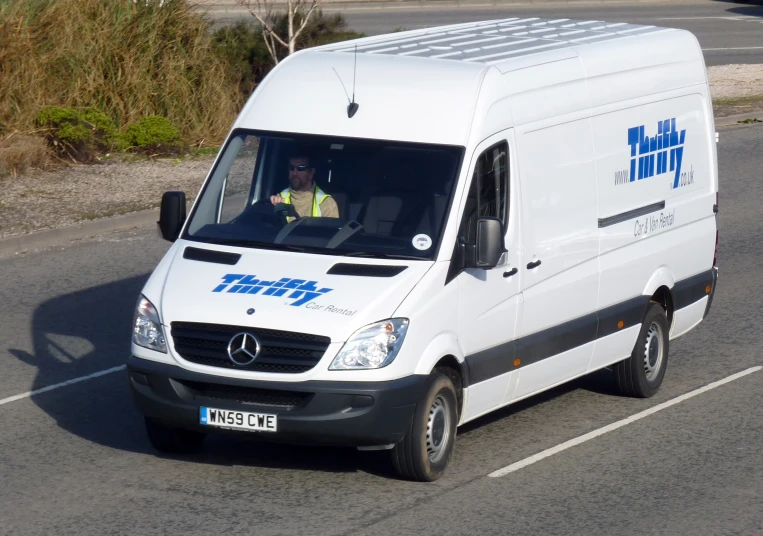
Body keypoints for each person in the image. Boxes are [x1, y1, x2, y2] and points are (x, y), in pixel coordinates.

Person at [270, 151, 339, 218]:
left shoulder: (327, 204)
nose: (294, 173)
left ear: (311, 173)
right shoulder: (279, 199)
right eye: (292, 168)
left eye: (300, 168)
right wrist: (272, 205)